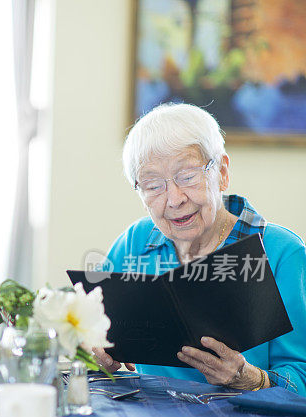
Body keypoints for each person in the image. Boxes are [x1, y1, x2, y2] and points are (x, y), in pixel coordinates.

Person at [94, 103, 306, 395]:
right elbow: (91, 329)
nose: (175, 199)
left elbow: (302, 374)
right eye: (153, 184)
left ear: (221, 172)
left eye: (187, 176)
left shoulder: (282, 253)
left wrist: (251, 378)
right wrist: (94, 350)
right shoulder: (135, 241)